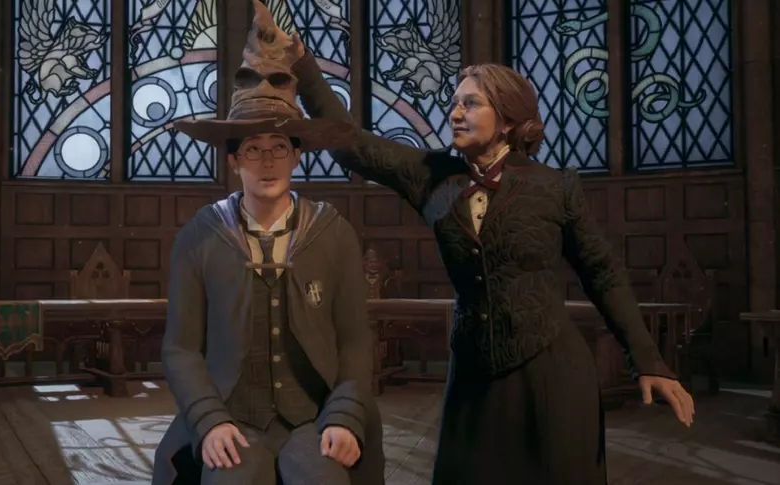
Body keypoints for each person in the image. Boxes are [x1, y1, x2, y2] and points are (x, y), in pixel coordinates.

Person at [280, 29, 696, 484]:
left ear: (509, 121)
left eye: (471, 104)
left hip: (552, 372)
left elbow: (603, 273)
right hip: (473, 377)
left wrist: (647, 360)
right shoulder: (431, 175)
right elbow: (349, 144)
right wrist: (302, 63)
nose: (455, 113)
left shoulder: (555, 187)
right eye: (454, 103)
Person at [151, 2, 385, 484]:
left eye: (279, 148)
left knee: (323, 479)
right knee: (230, 479)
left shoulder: (333, 232)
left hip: (313, 417)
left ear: (297, 156)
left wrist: (343, 415)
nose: (267, 161)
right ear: (233, 161)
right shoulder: (200, 234)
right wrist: (209, 420)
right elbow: (181, 349)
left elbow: (355, 342)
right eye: (252, 150)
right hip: (231, 416)